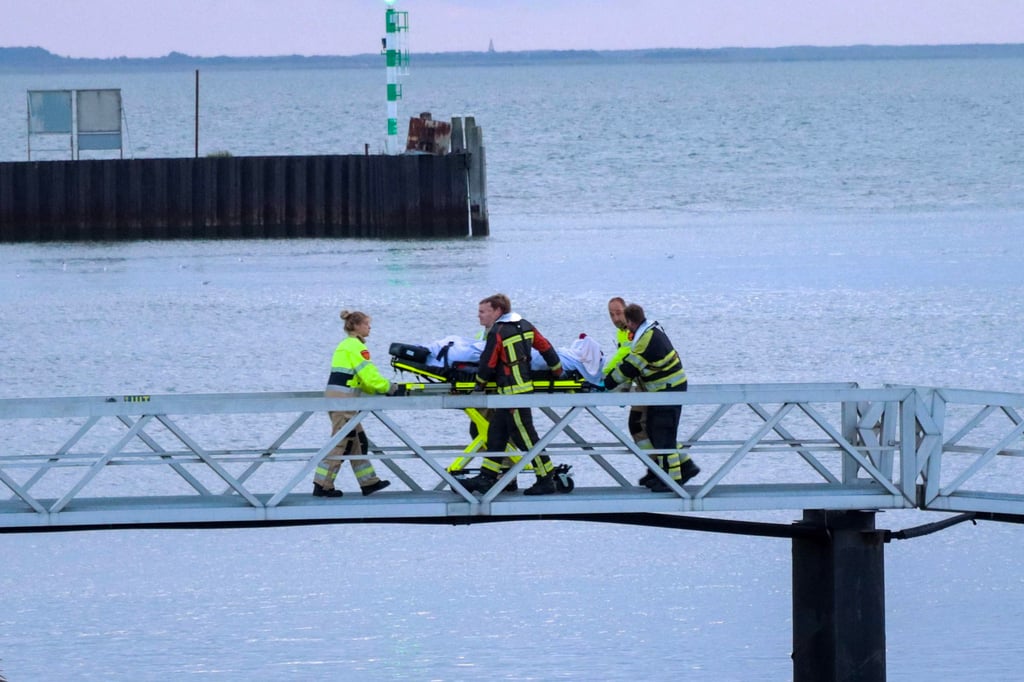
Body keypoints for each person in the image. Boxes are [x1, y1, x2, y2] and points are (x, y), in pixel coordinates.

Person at [460, 294, 565, 496]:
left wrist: (478, 387)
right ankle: (487, 476)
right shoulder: (525, 325)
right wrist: (558, 372)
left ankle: (546, 477)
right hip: (520, 390)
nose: (479, 316)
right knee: (496, 434)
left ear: (498, 311)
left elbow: (488, 363)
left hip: (511, 393)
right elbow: (546, 347)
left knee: (526, 437)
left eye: (483, 311)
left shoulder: (498, 332)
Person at [603, 303, 700, 492]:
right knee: (657, 432)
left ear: (631, 321)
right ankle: (668, 473)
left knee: (663, 435)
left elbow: (630, 367)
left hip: (668, 390)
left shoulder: (645, 341)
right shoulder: (650, 331)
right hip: (664, 389)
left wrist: (606, 383)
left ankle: (673, 480)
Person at [313, 309, 401, 498]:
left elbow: (360, 380)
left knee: (357, 440)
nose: (370, 328)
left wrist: (376, 388)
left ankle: (369, 482)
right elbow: (369, 376)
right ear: (357, 326)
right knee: (341, 442)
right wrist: (389, 388)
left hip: (340, 398)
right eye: (367, 324)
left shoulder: (346, 345)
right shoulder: (356, 347)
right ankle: (322, 485)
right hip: (343, 401)